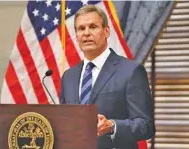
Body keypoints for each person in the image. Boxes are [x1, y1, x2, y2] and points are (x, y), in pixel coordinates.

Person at [60, 4, 155, 149]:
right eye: (81, 28)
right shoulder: (69, 76)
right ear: (76, 36)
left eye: (93, 27)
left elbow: (145, 126)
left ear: (106, 31)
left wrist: (112, 126)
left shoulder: (131, 71)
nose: (86, 33)